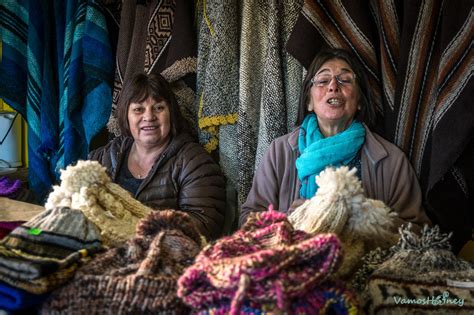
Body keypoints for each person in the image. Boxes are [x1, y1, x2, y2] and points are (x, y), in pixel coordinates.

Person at [240, 48, 431, 231]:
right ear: (309, 101)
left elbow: (420, 232)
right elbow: (247, 220)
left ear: (359, 102)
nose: (333, 86)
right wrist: (291, 220)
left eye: (345, 80)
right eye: (323, 80)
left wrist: (369, 219)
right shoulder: (279, 151)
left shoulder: (391, 160)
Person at [89, 72, 226, 240]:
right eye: (138, 109)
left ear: (171, 113)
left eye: (158, 108)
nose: (149, 117)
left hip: (166, 259)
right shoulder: (105, 156)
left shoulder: (194, 161)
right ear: (126, 116)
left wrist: (139, 229)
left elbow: (204, 225)